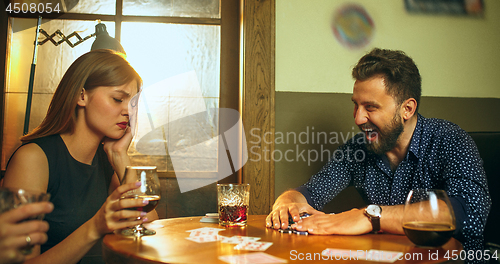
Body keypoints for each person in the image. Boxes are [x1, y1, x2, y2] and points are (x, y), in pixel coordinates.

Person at [266, 48, 490, 253]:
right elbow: (311, 192)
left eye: (370, 107)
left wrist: (369, 216)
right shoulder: (357, 149)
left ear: (407, 109)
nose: (358, 118)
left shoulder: (450, 139)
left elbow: (468, 212)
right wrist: (287, 202)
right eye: (356, 104)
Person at [1, 49, 159, 264]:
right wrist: (95, 227)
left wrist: (119, 155)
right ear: (81, 96)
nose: (128, 112)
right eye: (117, 99)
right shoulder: (33, 159)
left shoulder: (106, 160)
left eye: (132, 103)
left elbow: (148, 225)